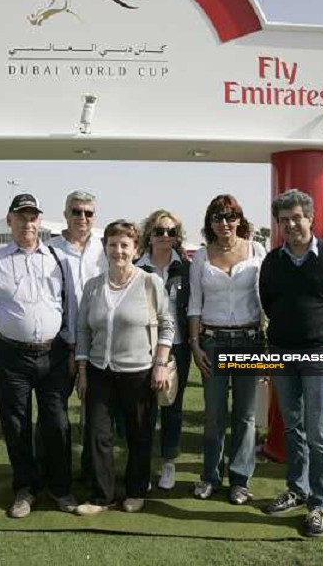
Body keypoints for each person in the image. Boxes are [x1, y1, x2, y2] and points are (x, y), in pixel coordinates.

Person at [259, 188, 323, 537]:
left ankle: (321, 504)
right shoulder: (273, 261)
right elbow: (269, 301)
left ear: (310, 217)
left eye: (296, 217)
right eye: (284, 220)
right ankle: (297, 489)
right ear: (278, 224)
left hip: (320, 353)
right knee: (293, 427)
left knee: (319, 431)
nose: (291, 224)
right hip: (282, 352)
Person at [0, 193, 79, 519]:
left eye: (32, 217)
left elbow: (71, 309)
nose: (27, 223)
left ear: (39, 222)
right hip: (10, 357)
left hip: (55, 356)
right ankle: (26, 488)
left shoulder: (58, 258)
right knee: (16, 425)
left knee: (57, 424)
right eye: (21, 217)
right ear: (10, 221)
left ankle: (60, 487)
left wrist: (75, 352)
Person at [74, 220, 174, 515]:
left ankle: (135, 490)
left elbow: (168, 325)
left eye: (124, 245)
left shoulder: (149, 282)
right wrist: (81, 371)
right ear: (105, 248)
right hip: (98, 372)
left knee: (139, 435)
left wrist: (160, 363)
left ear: (136, 249)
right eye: (112, 245)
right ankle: (101, 496)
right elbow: (83, 330)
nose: (118, 251)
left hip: (139, 372)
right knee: (97, 435)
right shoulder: (93, 286)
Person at [188, 194, 266, 505]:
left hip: (249, 342)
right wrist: (195, 345)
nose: (225, 223)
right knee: (214, 415)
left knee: (245, 417)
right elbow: (195, 304)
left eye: (230, 217)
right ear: (210, 222)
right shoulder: (201, 258)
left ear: (240, 219)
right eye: (218, 217)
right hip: (213, 343)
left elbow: (266, 301)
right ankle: (209, 476)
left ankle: (240, 481)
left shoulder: (257, 250)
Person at [48, 190, 107, 479]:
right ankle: (53, 475)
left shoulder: (105, 249)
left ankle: (90, 472)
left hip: (97, 346)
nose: (82, 217)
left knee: (93, 418)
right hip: (57, 346)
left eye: (88, 212)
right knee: (54, 416)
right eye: (76, 211)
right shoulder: (49, 249)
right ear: (65, 213)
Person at [135, 209, 191, 490]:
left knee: (172, 408)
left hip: (178, 349)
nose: (165, 236)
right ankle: (142, 467)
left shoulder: (186, 268)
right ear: (149, 234)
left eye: (171, 232)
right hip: (142, 349)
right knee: (145, 411)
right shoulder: (136, 267)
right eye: (159, 231)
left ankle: (168, 463)